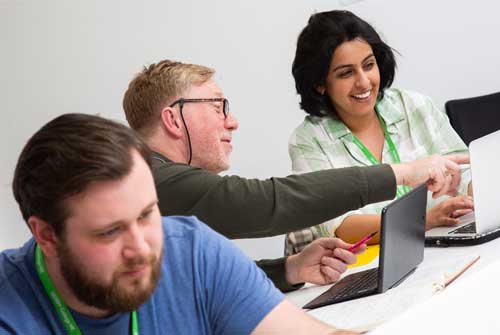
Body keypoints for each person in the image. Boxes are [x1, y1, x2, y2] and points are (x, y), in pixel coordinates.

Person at [1, 113, 362, 334]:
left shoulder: (191, 249)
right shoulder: (11, 308)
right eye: (110, 231)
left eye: (147, 215)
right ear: (47, 236)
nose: (142, 249)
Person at [122, 59, 467, 290]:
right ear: (172, 119)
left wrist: (289, 269)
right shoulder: (145, 179)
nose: (232, 121)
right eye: (217, 107)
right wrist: (402, 173)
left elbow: (195, 279)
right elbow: (265, 203)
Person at [286, 10, 474, 254]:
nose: (364, 82)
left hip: (448, 248)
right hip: (378, 268)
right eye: (346, 73)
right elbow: (340, 228)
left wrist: (473, 190)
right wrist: (425, 220)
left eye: (368, 65)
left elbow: (468, 171)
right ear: (320, 83)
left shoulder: (413, 106)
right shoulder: (308, 141)